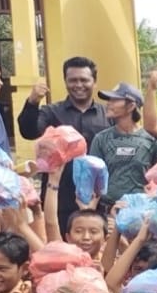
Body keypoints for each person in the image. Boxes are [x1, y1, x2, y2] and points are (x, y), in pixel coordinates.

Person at [17, 57, 112, 235]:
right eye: (73, 80)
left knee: (96, 250)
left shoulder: (108, 115)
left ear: (94, 82)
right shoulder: (51, 112)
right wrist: (32, 102)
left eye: (84, 80)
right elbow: (28, 131)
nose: (78, 85)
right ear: (65, 82)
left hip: (97, 199)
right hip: (59, 197)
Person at [90, 82, 157, 211]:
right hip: (108, 212)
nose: (108, 103)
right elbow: (93, 180)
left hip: (142, 213)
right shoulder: (101, 139)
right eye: (108, 100)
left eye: (114, 100)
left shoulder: (153, 141)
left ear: (131, 106)